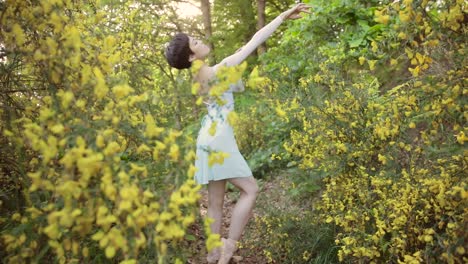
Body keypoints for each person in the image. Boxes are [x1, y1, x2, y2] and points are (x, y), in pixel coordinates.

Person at [164, 3, 310, 263]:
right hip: (218, 138)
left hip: (207, 139)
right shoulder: (218, 70)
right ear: (190, 57)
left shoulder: (199, 79)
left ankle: (212, 254)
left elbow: (233, 87)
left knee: (215, 202)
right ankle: (229, 246)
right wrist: (283, 16)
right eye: (195, 42)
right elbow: (254, 41)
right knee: (251, 190)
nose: (201, 41)